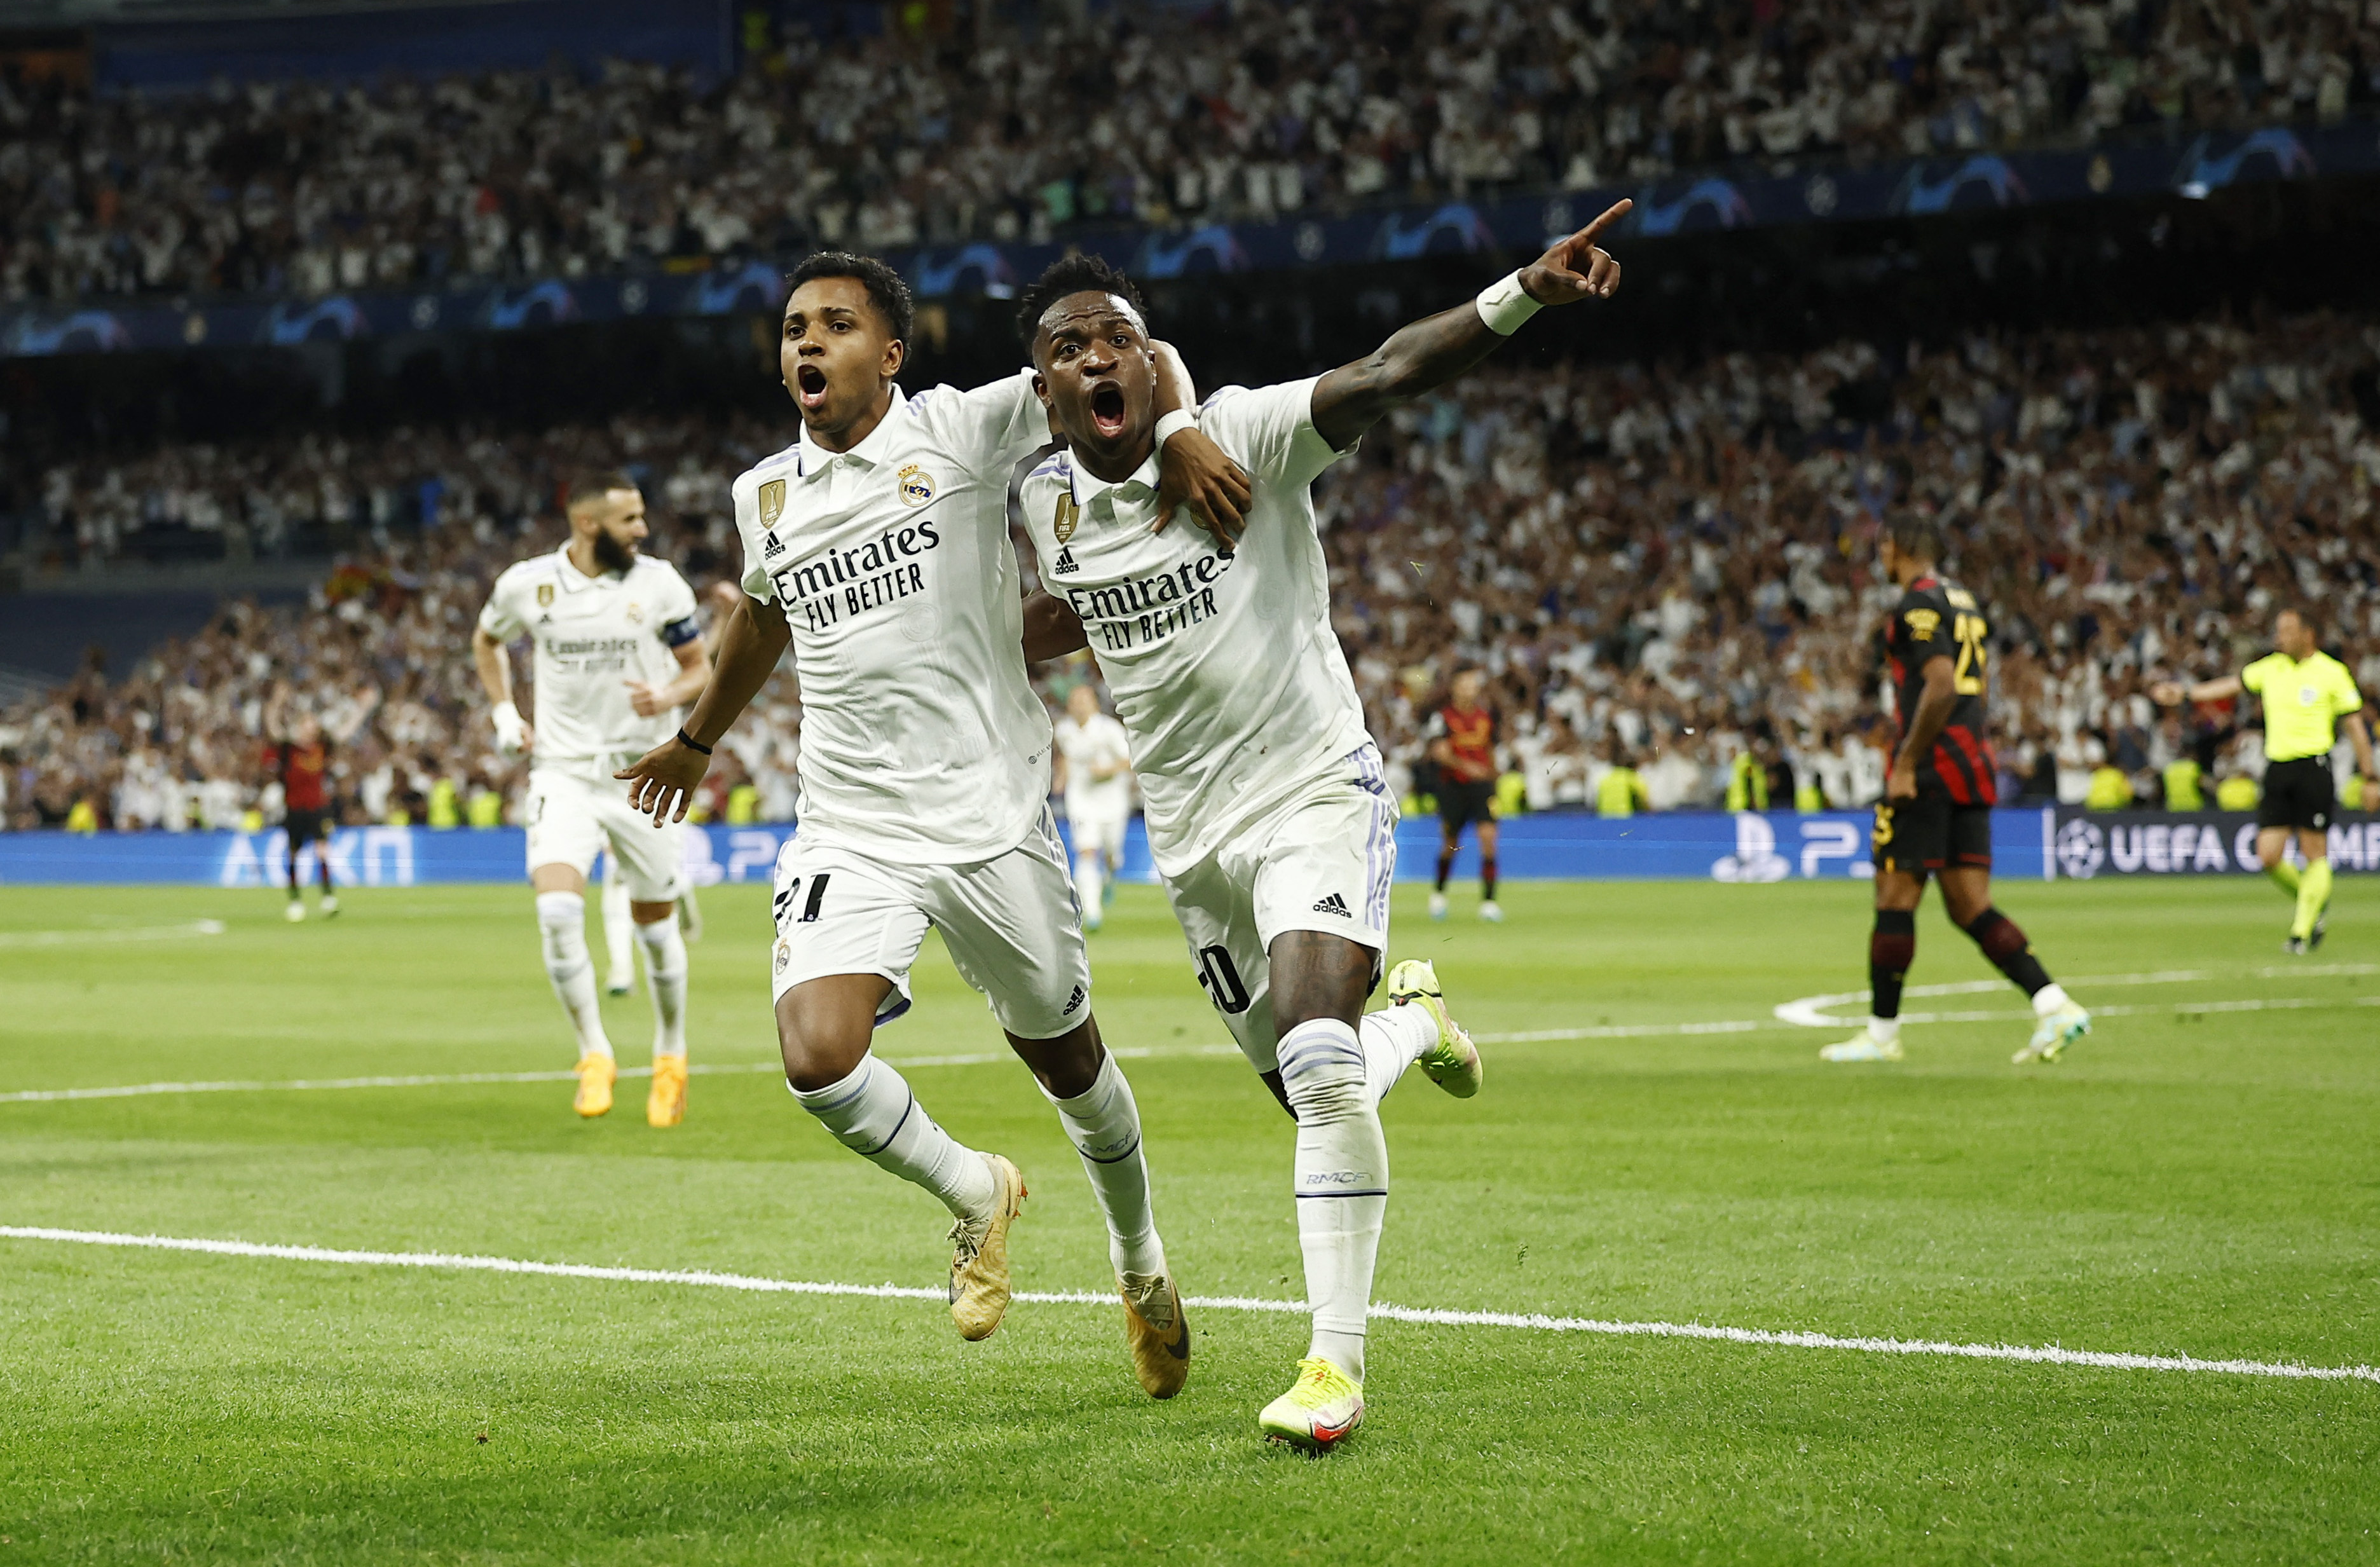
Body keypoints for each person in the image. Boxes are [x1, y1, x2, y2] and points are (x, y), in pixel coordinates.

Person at [1010, 205, 1625, 1449]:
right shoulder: (1039, 505)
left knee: (1318, 1058)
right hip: (1191, 848)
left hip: (1311, 790)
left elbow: (1390, 370)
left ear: (1147, 356)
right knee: (1316, 1085)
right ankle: (1419, 1021)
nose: (1093, 361)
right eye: (1067, 350)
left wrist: (1523, 291)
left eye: (1112, 342)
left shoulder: (1241, 432)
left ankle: (1333, 1370)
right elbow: (1072, 612)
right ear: (1044, 392)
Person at [615, 252, 1245, 1399]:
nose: (807, 344)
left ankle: (1138, 1261)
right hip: (852, 824)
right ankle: (972, 1188)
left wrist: (1186, 428)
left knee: (1069, 1059)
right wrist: (699, 739)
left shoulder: (965, 429)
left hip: (992, 818)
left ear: (889, 355)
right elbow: (763, 620)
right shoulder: (766, 494)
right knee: (816, 1057)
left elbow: (1131, 359)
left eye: (837, 326)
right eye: (795, 325)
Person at [472, 471, 713, 1126]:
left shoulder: (659, 583)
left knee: (657, 929)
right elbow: (487, 640)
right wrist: (503, 713)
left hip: (645, 775)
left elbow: (701, 669)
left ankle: (670, 1053)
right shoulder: (529, 585)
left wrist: (665, 697)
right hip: (564, 772)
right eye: (629, 519)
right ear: (587, 524)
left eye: (641, 516)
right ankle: (594, 1052)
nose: (642, 529)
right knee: (555, 912)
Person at [1823, 518, 2093, 1067]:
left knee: (1894, 894)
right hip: (1972, 764)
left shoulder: (1918, 605)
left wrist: (1905, 762)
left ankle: (1881, 1033)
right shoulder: (1964, 601)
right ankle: (2055, 1004)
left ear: (1894, 547)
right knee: (1970, 904)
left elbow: (1942, 684)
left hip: (1932, 769)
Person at [2153, 607, 2375, 952]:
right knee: (2268, 855)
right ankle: (2313, 901)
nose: (2279, 637)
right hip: (2278, 769)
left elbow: (2356, 728)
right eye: (2279, 630)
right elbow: (2231, 684)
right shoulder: (2270, 668)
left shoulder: (2332, 673)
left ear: (2308, 634)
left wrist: (2371, 777)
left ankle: (2301, 933)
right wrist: (2184, 694)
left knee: (2314, 851)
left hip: (2313, 767)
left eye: (2287, 631)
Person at [263, 681, 374, 921]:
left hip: (317, 808)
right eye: (308, 722)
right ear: (300, 727)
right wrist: (276, 702)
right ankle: (295, 901)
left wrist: (362, 710)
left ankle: (328, 898)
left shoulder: (321, 748)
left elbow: (347, 731)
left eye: (313, 723)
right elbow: (272, 727)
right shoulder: (288, 749)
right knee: (293, 855)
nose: (312, 727)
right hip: (294, 809)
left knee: (323, 851)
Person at [1053, 682, 1134, 931]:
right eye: (1074, 702)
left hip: (1112, 800)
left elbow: (1130, 760)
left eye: (1084, 701)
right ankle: (1092, 911)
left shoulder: (1109, 730)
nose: (1079, 706)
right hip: (1081, 800)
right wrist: (1060, 779)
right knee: (1087, 851)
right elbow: (1066, 755)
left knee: (1111, 854)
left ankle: (1110, 876)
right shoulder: (1063, 730)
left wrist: (1106, 770)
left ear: (1094, 704)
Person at [1424, 667, 1503, 922]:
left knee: (1489, 838)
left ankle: (1489, 902)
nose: (1471, 687)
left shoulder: (1485, 716)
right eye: (1466, 683)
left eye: (1473, 683)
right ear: (1455, 688)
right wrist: (1467, 767)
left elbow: (1490, 748)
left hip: (1482, 787)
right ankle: (1439, 894)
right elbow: (1439, 751)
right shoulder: (1442, 717)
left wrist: (1493, 775)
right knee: (1451, 843)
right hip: (1454, 787)